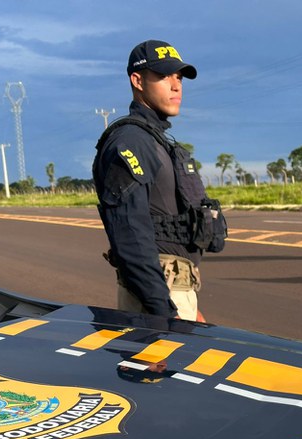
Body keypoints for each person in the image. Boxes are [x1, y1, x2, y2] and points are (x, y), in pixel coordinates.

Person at [93, 40, 225, 321]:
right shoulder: (130, 142)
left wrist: (188, 303)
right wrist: (164, 310)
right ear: (137, 80)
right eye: (164, 76)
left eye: (179, 77)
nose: (176, 85)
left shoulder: (156, 142)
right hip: (156, 302)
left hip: (174, 293)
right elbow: (130, 236)